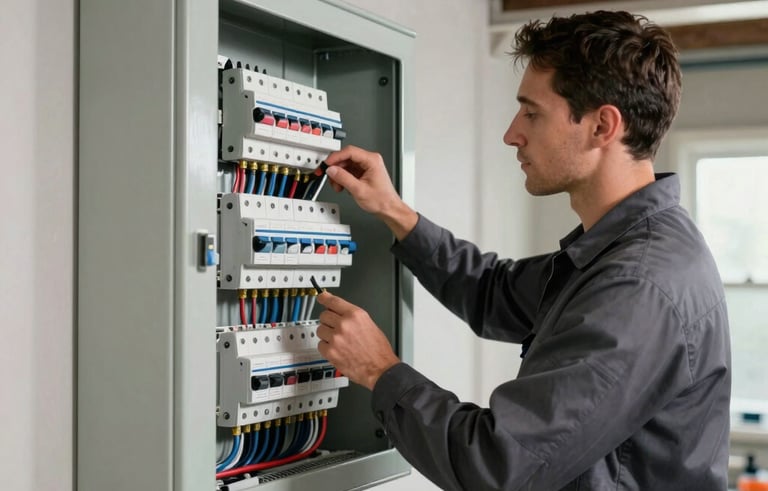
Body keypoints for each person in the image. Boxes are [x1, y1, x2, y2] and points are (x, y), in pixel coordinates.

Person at [315, 10, 730, 491]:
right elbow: (495, 292)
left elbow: (499, 466)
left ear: (602, 126)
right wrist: (395, 213)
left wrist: (380, 370)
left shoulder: (637, 285)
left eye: (532, 112)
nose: (512, 133)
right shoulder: (621, 252)